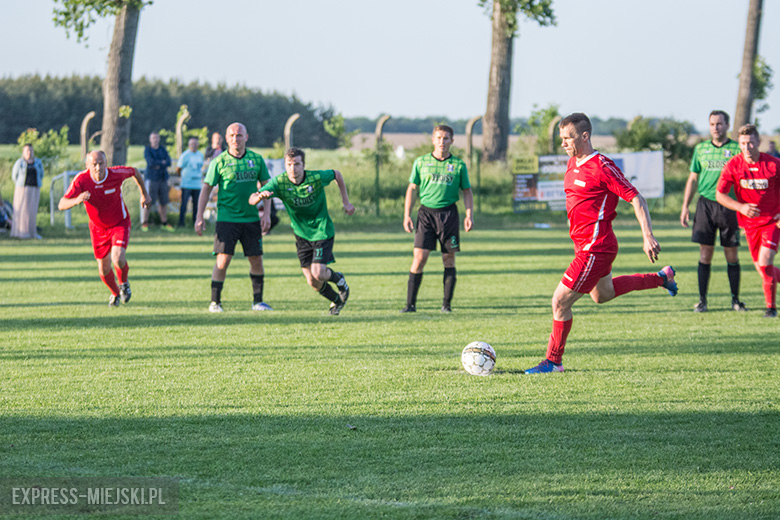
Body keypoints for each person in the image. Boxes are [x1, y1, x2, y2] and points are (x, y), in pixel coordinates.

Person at [525, 113, 678, 374]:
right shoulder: (573, 163)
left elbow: (636, 198)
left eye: (568, 138)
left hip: (595, 248)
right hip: (585, 245)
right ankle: (662, 278)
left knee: (560, 302)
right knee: (602, 295)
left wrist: (647, 235)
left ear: (585, 136)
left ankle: (554, 361)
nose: (563, 143)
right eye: (561, 138)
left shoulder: (602, 167)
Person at [249, 148, 355, 315]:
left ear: (303, 165)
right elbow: (252, 198)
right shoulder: (279, 182)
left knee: (318, 272)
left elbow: (337, 174)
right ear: (285, 165)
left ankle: (339, 279)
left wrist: (346, 202)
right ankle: (336, 301)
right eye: (289, 164)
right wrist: (260, 197)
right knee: (312, 281)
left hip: (321, 230)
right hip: (301, 234)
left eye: (297, 164)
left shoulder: (315, 178)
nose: (293, 168)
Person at [195, 122, 272, 313]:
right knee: (223, 260)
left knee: (256, 259)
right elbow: (206, 188)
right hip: (227, 219)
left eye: (239, 135)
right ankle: (215, 302)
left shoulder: (256, 159)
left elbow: (266, 187)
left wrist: (267, 214)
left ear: (246, 137)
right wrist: (199, 216)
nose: (235, 139)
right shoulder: (219, 162)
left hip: (251, 219)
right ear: (226, 138)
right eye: (231, 135)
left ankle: (258, 302)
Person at [58, 151, 150, 307]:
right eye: (94, 164)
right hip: (98, 228)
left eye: (101, 163)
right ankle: (115, 293)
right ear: (87, 165)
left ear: (106, 163)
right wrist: (77, 200)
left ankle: (124, 283)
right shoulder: (81, 180)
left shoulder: (116, 174)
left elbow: (134, 171)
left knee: (118, 257)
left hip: (119, 223)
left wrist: (144, 194)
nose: (98, 167)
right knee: (103, 268)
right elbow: (62, 204)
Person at [401, 124, 473, 313]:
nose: (442, 142)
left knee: (448, 259)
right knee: (419, 258)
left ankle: (446, 305)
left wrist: (469, 215)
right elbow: (412, 189)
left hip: (449, 214)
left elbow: (467, 191)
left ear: (452, 141)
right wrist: (407, 214)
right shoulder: (421, 162)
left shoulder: (458, 165)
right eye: (439, 138)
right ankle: (410, 305)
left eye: (446, 138)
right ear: (433, 140)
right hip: (426, 214)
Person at [680, 110, 746, 312]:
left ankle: (736, 300)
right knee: (705, 254)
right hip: (705, 205)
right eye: (712, 124)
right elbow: (693, 179)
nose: (715, 128)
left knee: (731, 255)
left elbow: (745, 180)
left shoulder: (737, 149)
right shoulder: (701, 149)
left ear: (727, 126)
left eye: (719, 124)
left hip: (729, 206)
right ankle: (702, 301)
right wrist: (685, 206)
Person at [716, 124, 780, 318]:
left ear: (758, 142)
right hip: (750, 226)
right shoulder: (734, 165)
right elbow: (720, 194)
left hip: (772, 222)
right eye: (743, 143)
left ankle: (771, 308)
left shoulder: (774, 164)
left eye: (751, 142)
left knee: (765, 260)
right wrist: (741, 207)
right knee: (763, 270)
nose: (747, 147)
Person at [10, 144, 44, 239]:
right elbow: (14, 176)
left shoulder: (38, 162)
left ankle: (32, 232)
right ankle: (21, 232)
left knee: (31, 211)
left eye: (31, 151)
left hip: (34, 188)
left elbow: (41, 174)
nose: (29, 153)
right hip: (22, 189)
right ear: (23, 152)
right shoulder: (19, 163)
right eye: (27, 151)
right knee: (21, 210)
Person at [142, 131, 173, 232]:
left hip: (163, 178)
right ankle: (145, 222)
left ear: (159, 139)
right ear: (150, 140)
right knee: (149, 201)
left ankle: (164, 222)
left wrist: (159, 164)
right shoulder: (148, 150)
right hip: (152, 178)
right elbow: (150, 163)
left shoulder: (163, 149)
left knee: (163, 202)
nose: (155, 140)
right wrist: (161, 162)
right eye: (153, 138)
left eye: (157, 138)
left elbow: (168, 162)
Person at [176, 136, 204, 228]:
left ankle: (195, 222)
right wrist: (183, 176)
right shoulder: (185, 155)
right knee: (184, 204)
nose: (194, 146)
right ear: (189, 145)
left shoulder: (200, 155)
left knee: (196, 205)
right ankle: (181, 223)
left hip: (197, 184)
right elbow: (178, 168)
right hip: (186, 184)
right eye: (192, 144)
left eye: (195, 144)